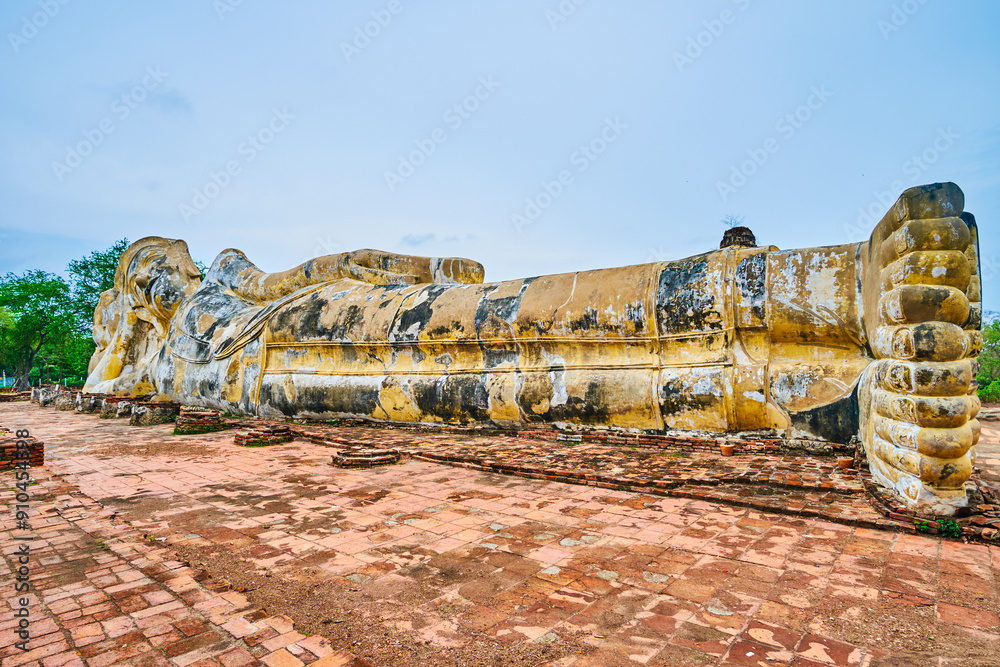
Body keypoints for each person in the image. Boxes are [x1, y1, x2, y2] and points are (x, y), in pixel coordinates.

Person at [85, 182, 981, 513]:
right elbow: (116, 377)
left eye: (166, 264)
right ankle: (836, 399)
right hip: (285, 382)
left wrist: (419, 265)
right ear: (131, 307)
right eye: (146, 278)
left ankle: (842, 286)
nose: (166, 281)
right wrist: (121, 355)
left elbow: (319, 269)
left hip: (320, 321)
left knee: (523, 317)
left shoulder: (227, 282)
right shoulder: (150, 355)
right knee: (561, 385)